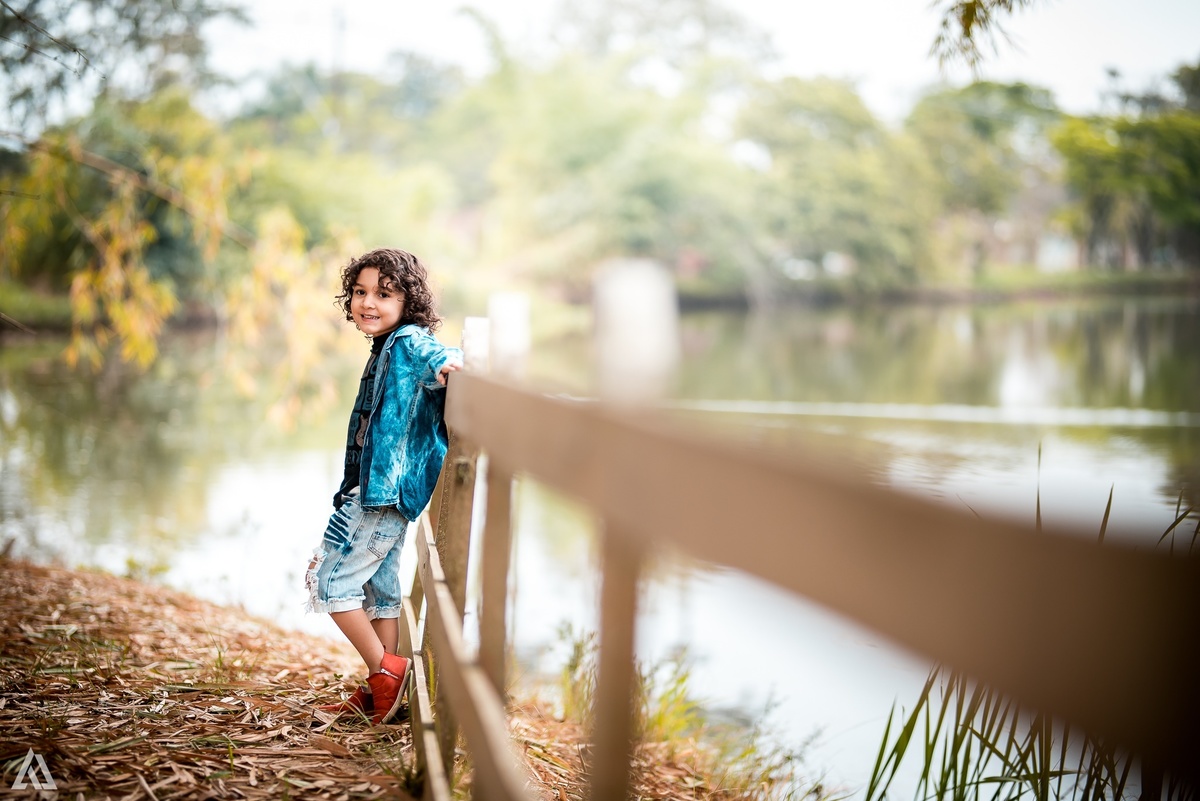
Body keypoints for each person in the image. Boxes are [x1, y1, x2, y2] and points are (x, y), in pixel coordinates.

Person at [304, 247, 462, 725]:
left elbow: (444, 355)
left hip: (383, 494)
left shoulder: (410, 342)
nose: (367, 302)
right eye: (359, 292)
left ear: (407, 302)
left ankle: (386, 672)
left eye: (383, 294)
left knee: (327, 582)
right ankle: (381, 695)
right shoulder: (386, 348)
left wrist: (453, 367)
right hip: (376, 491)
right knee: (380, 592)